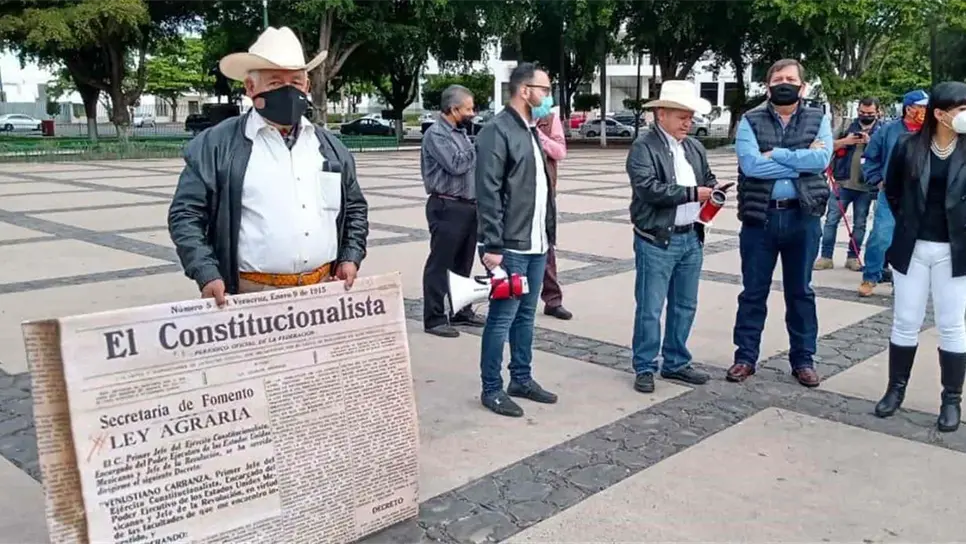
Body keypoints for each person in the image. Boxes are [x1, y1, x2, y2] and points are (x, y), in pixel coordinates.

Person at [167, 26, 369, 300]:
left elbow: (354, 207)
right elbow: (186, 215)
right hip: (251, 292)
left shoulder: (331, 147)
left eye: (296, 82)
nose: (288, 91)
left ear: (307, 86)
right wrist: (206, 271)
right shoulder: (215, 145)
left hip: (323, 289)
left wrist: (350, 256)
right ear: (251, 87)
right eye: (275, 83)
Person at [726, 59, 833, 387]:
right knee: (753, 292)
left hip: (803, 217)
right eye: (777, 79)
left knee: (800, 292)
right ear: (767, 85)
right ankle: (745, 356)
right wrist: (800, 159)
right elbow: (751, 166)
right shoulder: (750, 119)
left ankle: (803, 359)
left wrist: (776, 154)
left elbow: (821, 160)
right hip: (761, 218)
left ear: (802, 86)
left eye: (790, 79)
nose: (783, 83)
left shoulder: (819, 118)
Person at [874, 81, 966, 433]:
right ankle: (895, 390)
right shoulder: (908, 146)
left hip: (955, 250)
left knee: (952, 324)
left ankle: (951, 399)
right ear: (940, 114)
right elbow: (893, 192)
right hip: (913, 246)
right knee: (905, 320)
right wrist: (910, 224)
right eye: (959, 109)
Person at [625, 80, 721, 394]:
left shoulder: (693, 147)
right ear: (661, 114)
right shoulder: (644, 146)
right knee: (650, 307)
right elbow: (648, 189)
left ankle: (676, 361)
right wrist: (694, 192)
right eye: (682, 115)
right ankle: (645, 365)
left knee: (685, 305)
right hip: (656, 238)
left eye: (690, 116)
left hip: (691, 236)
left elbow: (707, 178)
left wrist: (714, 190)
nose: (688, 122)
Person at [475, 62, 558, 417]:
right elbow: (489, 191)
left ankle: (521, 378)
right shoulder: (498, 131)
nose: (548, 97)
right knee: (502, 318)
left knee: (526, 316)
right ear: (525, 91)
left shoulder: (530, 129)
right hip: (509, 246)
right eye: (545, 89)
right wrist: (491, 245)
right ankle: (491, 388)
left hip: (537, 242)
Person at [420, 84, 486, 338]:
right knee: (441, 263)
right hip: (446, 206)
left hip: (468, 205)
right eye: (468, 109)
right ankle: (434, 318)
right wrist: (478, 144)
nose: (473, 113)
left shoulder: (459, 132)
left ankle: (461, 310)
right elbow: (457, 165)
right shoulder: (437, 134)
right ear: (453, 108)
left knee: (463, 263)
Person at [858, 89, 929, 297]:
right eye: (922, 107)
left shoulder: (932, 132)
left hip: (921, 196)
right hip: (890, 194)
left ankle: (903, 281)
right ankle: (871, 276)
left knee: (914, 241)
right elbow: (869, 158)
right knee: (882, 236)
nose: (926, 111)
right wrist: (877, 180)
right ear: (909, 108)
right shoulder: (888, 131)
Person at [814, 97, 882, 271]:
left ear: (877, 112)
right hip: (842, 183)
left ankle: (853, 257)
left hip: (866, 187)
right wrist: (846, 141)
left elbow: (887, 152)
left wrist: (870, 142)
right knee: (831, 221)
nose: (865, 116)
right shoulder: (845, 127)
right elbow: (825, 146)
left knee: (860, 224)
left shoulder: (882, 131)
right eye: (862, 112)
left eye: (870, 113)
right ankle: (826, 256)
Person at [535, 106, 573, 320]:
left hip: (546, 196)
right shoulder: (511, 119)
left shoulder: (549, 119)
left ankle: (553, 300)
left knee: (547, 248)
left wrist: (537, 133)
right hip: (518, 197)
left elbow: (559, 152)